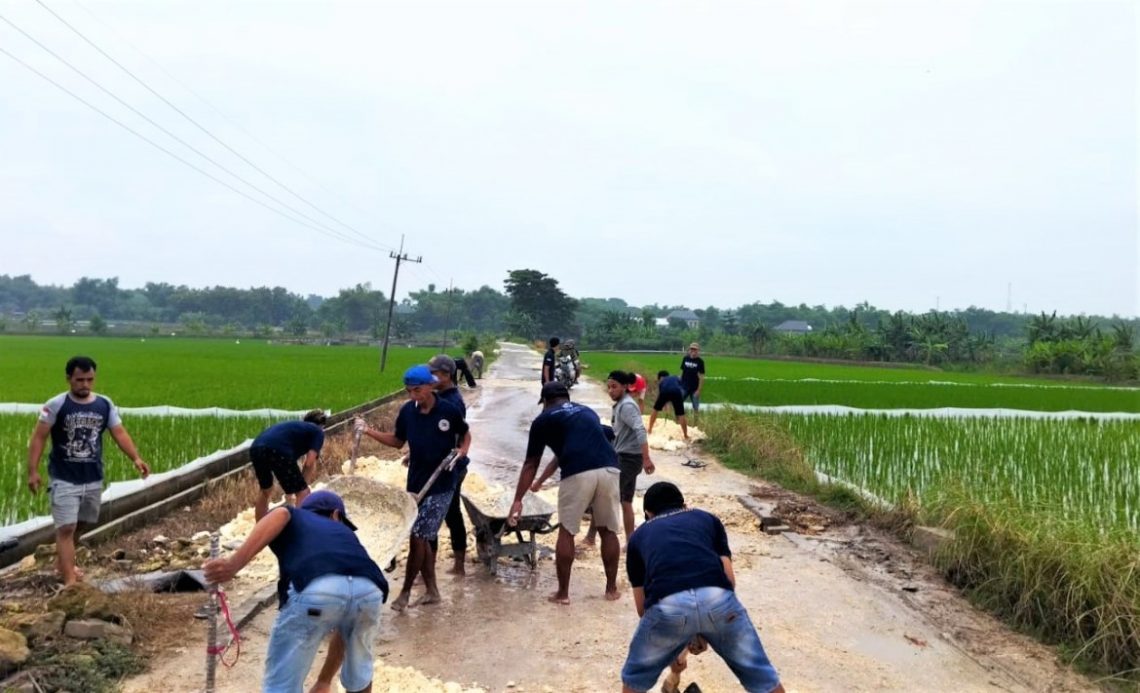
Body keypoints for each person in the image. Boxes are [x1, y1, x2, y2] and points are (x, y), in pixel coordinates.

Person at [202, 490, 387, 693]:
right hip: (370, 592)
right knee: (360, 673)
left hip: (318, 589)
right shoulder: (346, 536)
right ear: (336, 515)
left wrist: (233, 565)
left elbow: (281, 513)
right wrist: (324, 681)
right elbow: (345, 615)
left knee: (282, 686)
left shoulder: (296, 516)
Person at [621, 482, 784, 693]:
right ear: (684, 506)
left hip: (668, 606)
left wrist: (677, 638)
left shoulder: (638, 537)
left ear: (648, 514)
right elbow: (729, 580)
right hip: (718, 599)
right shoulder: (707, 519)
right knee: (764, 679)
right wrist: (704, 626)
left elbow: (642, 608)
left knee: (634, 681)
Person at [27, 356, 151, 586]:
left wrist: (136, 458)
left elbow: (119, 432)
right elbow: (39, 437)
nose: (85, 384)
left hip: (92, 476)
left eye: (89, 379)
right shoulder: (56, 405)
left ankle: (63, 563)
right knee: (66, 528)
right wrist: (32, 471)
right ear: (69, 379)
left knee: (81, 524)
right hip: (64, 477)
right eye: (79, 380)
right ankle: (70, 581)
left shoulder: (104, 404)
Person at [356, 365, 471, 611]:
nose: (413, 395)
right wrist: (368, 431)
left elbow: (465, 434)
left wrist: (462, 451)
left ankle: (405, 592)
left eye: (417, 390)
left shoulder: (448, 410)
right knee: (423, 538)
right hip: (417, 480)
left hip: (442, 483)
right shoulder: (408, 411)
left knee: (418, 536)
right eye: (409, 391)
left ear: (430, 386)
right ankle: (432, 591)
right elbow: (398, 441)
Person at [509, 381, 622, 604]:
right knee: (608, 530)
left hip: (577, 472)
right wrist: (540, 481)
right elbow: (563, 455)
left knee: (567, 531)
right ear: (567, 398)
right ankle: (611, 590)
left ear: (546, 401)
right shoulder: (586, 412)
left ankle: (563, 594)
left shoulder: (543, 420)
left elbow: (531, 463)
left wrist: (518, 500)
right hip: (610, 469)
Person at [427, 354, 471, 576]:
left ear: (445, 375)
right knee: (449, 513)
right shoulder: (440, 396)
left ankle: (452, 567)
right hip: (443, 465)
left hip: (448, 467)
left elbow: (454, 437)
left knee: (442, 514)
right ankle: (453, 566)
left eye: (433, 373)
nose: (429, 377)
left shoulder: (452, 403)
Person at [249, 409, 328, 521]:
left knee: (266, 490)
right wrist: (302, 488)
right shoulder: (317, 432)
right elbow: (309, 463)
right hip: (278, 450)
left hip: (256, 448)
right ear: (322, 426)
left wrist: (295, 488)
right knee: (303, 493)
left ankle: (260, 528)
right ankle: (300, 528)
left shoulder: (296, 429)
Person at [605, 371, 655, 542]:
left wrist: (646, 458)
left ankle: (590, 537)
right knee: (626, 500)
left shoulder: (626, 406)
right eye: (608, 387)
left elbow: (640, 429)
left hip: (629, 459)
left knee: (606, 497)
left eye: (614, 387)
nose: (610, 391)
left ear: (625, 387)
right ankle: (630, 540)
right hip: (626, 456)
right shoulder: (621, 404)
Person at [648, 371, 689, 441]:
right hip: (677, 392)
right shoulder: (675, 377)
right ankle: (685, 435)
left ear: (660, 378)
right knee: (681, 414)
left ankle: (650, 429)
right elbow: (681, 384)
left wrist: (665, 407)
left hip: (664, 392)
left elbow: (662, 396)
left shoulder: (661, 382)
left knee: (655, 409)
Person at [680, 343, 706, 421]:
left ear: (698, 350)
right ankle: (679, 420)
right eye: (692, 349)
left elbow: (701, 377)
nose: (693, 350)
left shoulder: (700, 362)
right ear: (689, 349)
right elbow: (682, 372)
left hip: (694, 388)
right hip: (684, 386)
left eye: (695, 349)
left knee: (695, 407)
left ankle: (695, 422)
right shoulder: (685, 358)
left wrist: (699, 390)